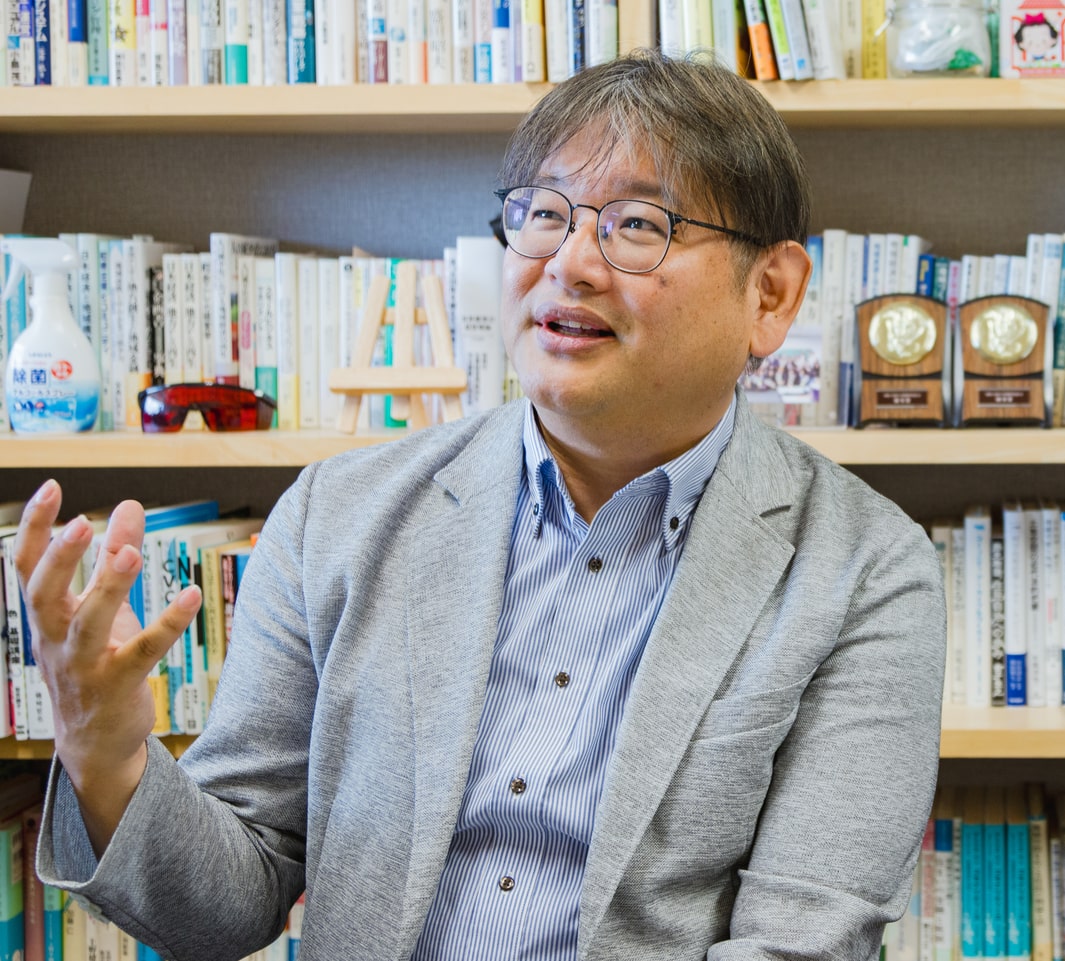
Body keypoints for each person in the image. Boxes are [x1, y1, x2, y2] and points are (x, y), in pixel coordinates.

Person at [24, 50, 946, 961]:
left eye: (636, 224)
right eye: (542, 214)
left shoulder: (866, 570)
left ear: (770, 295)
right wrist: (111, 758)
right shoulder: (337, 514)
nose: (569, 264)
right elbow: (223, 908)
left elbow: (799, 943)